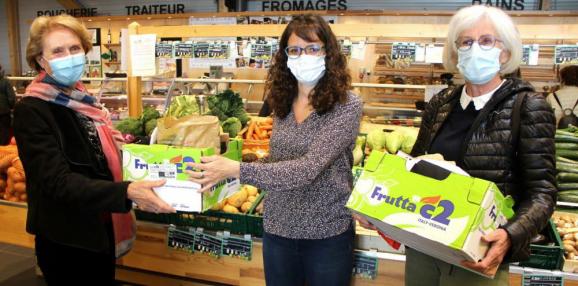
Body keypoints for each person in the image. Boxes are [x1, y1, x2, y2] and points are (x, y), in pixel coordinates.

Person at [187, 14, 362, 286]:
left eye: (313, 48)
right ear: (285, 56)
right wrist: (226, 166)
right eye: (295, 50)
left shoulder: (346, 105)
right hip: (278, 230)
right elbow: (278, 160)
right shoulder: (282, 101)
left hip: (326, 233)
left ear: (328, 53)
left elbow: (308, 169)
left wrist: (237, 169)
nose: (303, 56)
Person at [13, 15, 175, 285]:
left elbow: (98, 157)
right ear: (41, 60)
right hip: (67, 239)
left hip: (102, 226)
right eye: (58, 51)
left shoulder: (82, 99)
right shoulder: (32, 111)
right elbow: (56, 182)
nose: (69, 56)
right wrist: (126, 191)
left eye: (75, 49)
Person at [408, 5, 556, 285]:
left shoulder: (528, 106)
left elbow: (542, 192)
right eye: (466, 41)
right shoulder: (441, 103)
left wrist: (510, 235)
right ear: (455, 52)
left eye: (487, 41)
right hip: (424, 245)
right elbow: (415, 167)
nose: (475, 48)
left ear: (506, 53)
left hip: (477, 253)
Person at [0, 65, 16, 145]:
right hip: (4, 111)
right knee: (5, 131)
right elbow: (11, 97)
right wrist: (12, 107)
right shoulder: (5, 82)